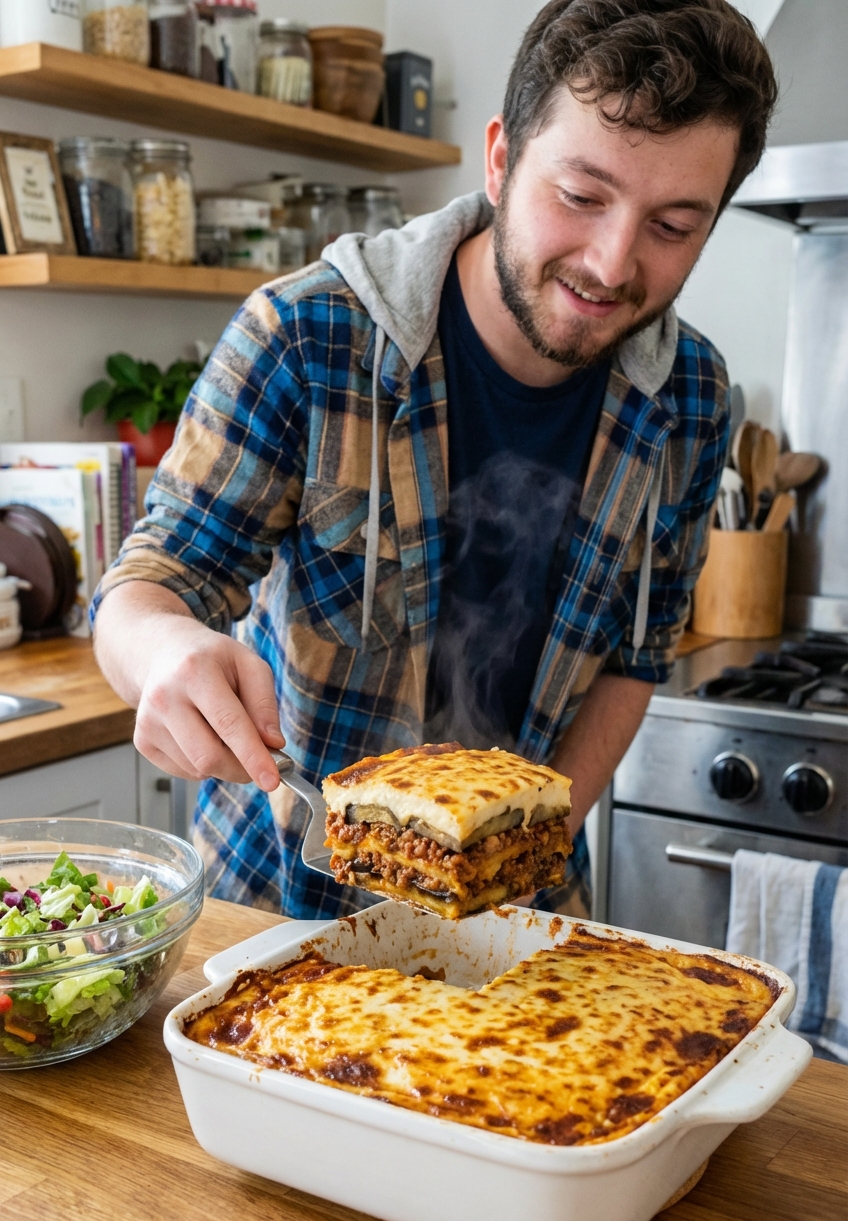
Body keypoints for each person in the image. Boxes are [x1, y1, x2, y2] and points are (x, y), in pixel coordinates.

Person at [92, 0, 777, 919]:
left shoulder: (692, 399)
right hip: (280, 907)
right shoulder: (307, 337)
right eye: (580, 196)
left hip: (517, 901)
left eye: (673, 224)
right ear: (499, 160)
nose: (613, 264)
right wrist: (164, 648)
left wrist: (531, 849)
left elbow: (634, 661)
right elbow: (147, 587)